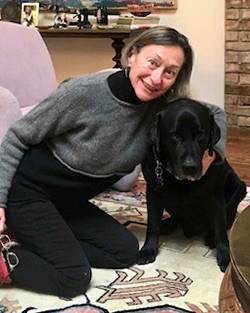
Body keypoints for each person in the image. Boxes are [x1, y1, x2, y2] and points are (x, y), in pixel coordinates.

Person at [0, 26, 226, 297]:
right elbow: (17, 136)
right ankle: (5, 260)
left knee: (124, 251)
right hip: (29, 194)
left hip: (68, 203)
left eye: (170, 72)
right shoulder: (83, 92)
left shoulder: (161, 111)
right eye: (152, 63)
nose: (156, 78)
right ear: (131, 55)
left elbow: (214, 113)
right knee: (73, 277)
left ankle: (28, 237)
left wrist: (213, 151)